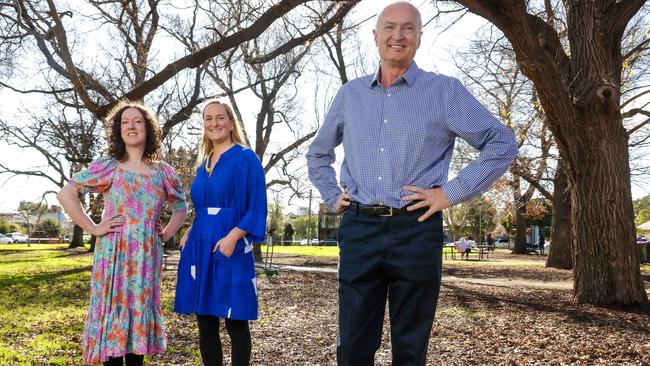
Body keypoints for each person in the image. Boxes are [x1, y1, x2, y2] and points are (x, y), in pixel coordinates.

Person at [306, 2, 518, 365]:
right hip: (360, 228)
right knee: (353, 346)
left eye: (408, 28)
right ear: (376, 36)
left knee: (410, 347)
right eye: (389, 27)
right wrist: (331, 194)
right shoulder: (349, 94)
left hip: (416, 229)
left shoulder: (445, 92)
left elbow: (502, 143)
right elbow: (318, 154)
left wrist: (450, 193)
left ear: (420, 37)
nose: (398, 35)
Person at [57, 100, 188, 365]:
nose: (131, 126)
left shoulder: (162, 171)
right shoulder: (109, 166)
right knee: (113, 325)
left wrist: (164, 235)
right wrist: (93, 228)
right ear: (118, 131)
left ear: (148, 129)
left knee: (137, 328)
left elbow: (181, 207)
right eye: (125, 122)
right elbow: (67, 193)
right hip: (113, 256)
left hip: (146, 257)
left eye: (137, 121)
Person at [174, 100, 267, 366]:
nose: (214, 123)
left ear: (230, 122)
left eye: (220, 118)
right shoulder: (204, 163)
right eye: (208, 119)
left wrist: (234, 237)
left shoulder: (245, 157)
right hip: (201, 243)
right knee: (205, 320)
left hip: (231, 244)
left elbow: (256, 204)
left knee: (235, 319)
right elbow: (205, 205)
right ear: (203, 125)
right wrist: (192, 227)